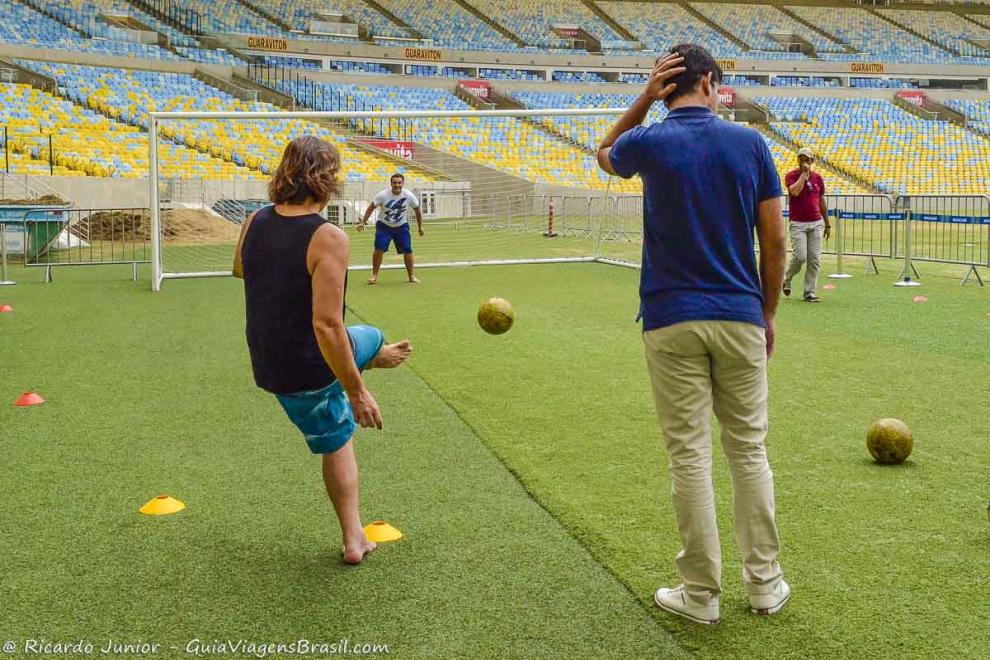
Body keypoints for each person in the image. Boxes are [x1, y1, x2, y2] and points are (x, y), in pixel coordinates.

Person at [597, 44, 789, 625]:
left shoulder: (648, 142)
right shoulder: (750, 142)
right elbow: (775, 241)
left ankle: (701, 596)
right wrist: (768, 313)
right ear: (708, 82)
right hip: (738, 314)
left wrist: (641, 99)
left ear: (666, 83)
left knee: (689, 456)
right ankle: (765, 584)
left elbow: (602, 151)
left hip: (669, 317)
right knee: (749, 451)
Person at [233, 136, 413, 565]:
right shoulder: (327, 235)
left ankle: (374, 354)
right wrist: (357, 390)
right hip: (310, 366)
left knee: (359, 349)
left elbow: (240, 269)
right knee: (363, 341)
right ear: (325, 177)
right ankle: (354, 539)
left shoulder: (253, 220)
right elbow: (327, 325)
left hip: (267, 362)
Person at [357, 173, 425, 284]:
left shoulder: (408, 195)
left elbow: (417, 209)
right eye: (395, 183)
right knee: (379, 248)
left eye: (399, 183)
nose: (397, 185)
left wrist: (420, 226)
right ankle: (374, 275)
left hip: (401, 226)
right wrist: (363, 222)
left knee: (408, 250)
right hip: (384, 226)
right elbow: (371, 207)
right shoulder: (383, 195)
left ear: (403, 183)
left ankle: (411, 276)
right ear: (391, 183)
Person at [783, 148, 830, 302]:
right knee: (800, 256)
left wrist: (827, 223)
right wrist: (803, 175)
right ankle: (787, 277)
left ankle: (809, 292)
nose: (804, 162)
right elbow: (794, 192)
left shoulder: (818, 178)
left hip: (816, 222)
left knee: (814, 259)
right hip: (798, 223)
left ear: (812, 161)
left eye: (807, 159)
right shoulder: (791, 176)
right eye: (801, 159)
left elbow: (821, 200)